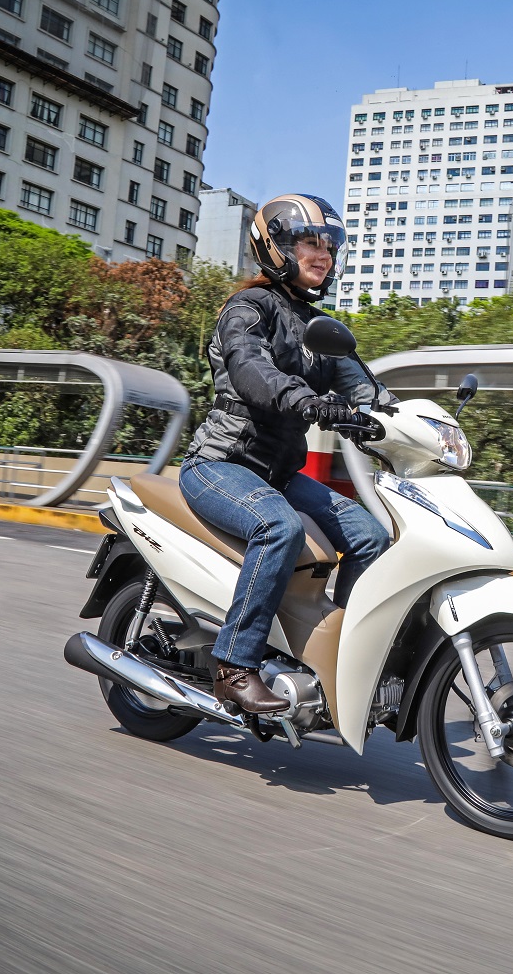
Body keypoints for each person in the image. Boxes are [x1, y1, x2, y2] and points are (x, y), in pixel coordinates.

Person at [177, 194, 394, 714]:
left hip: (278, 473)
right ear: (274, 248)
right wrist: (309, 402)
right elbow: (252, 371)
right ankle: (234, 665)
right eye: (308, 243)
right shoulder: (246, 309)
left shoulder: (317, 327)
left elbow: (366, 389)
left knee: (370, 535)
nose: (323, 254)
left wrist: (402, 417)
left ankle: (335, 647)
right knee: (279, 528)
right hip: (220, 465)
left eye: (328, 246)